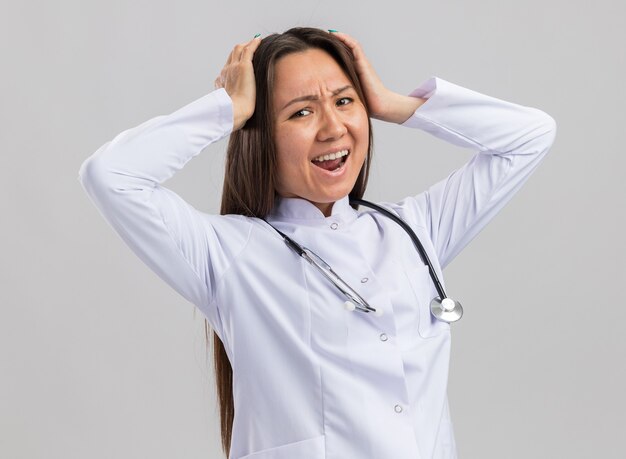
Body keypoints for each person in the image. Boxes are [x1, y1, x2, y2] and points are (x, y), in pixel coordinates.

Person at [78, 27, 557, 459]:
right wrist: (228, 109)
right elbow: (111, 176)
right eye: (301, 111)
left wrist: (391, 104)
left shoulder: (415, 230)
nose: (333, 128)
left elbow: (531, 136)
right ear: (259, 133)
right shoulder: (228, 254)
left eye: (345, 102)